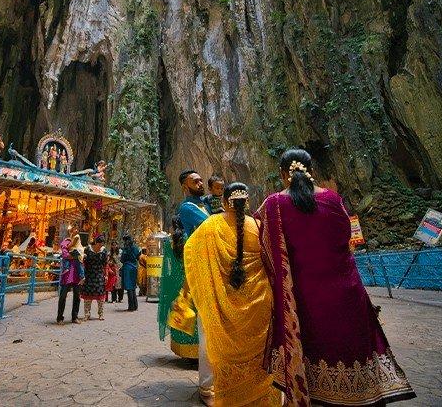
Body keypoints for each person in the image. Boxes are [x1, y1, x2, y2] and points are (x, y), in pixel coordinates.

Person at [256, 149, 416, 406]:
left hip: (305, 299)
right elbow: (345, 242)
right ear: (312, 171)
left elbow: (266, 252)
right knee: (350, 349)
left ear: (283, 174)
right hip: (347, 293)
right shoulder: (334, 199)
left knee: (315, 355)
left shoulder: (274, 205)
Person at [170, 183, 280, 406]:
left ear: (223, 202)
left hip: (216, 298)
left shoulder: (210, 226)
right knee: (255, 348)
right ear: (247, 202)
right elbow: (273, 266)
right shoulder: (259, 227)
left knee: (209, 341)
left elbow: (192, 258)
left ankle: (208, 388)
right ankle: (256, 390)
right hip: (255, 301)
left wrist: (186, 291)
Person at [158, 170, 211, 396]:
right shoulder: (188, 208)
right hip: (197, 265)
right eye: (195, 181)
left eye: (201, 180)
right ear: (185, 187)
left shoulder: (205, 205)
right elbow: (211, 225)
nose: (200, 183)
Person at [56, 234, 85, 325]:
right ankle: (60, 317)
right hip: (67, 274)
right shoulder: (65, 242)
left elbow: (81, 254)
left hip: (77, 274)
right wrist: (76, 256)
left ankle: (74, 317)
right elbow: (65, 255)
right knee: (63, 297)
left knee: (77, 296)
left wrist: (78, 255)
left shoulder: (77, 242)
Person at [81, 235, 108, 320]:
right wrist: (82, 275)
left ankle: (101, 314)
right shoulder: (88, 249)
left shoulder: (103, 251)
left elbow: (105, 264)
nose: (101, 246)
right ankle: (87, 314)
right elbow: (83, 262)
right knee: (87, 296)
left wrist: (106, 275)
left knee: (101, 296)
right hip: (89, 275)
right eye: (100, 244)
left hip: (99, 274)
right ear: (96, 242)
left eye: (102, 245)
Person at [120, 234, 139, 311]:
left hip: (127, 268)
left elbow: (122, 259)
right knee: (133, 287)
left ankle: (131, 306)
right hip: (134, 267)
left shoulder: (125, 248)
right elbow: (138, 256)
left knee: (129, 287)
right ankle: (135, 305)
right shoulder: (135, 247)